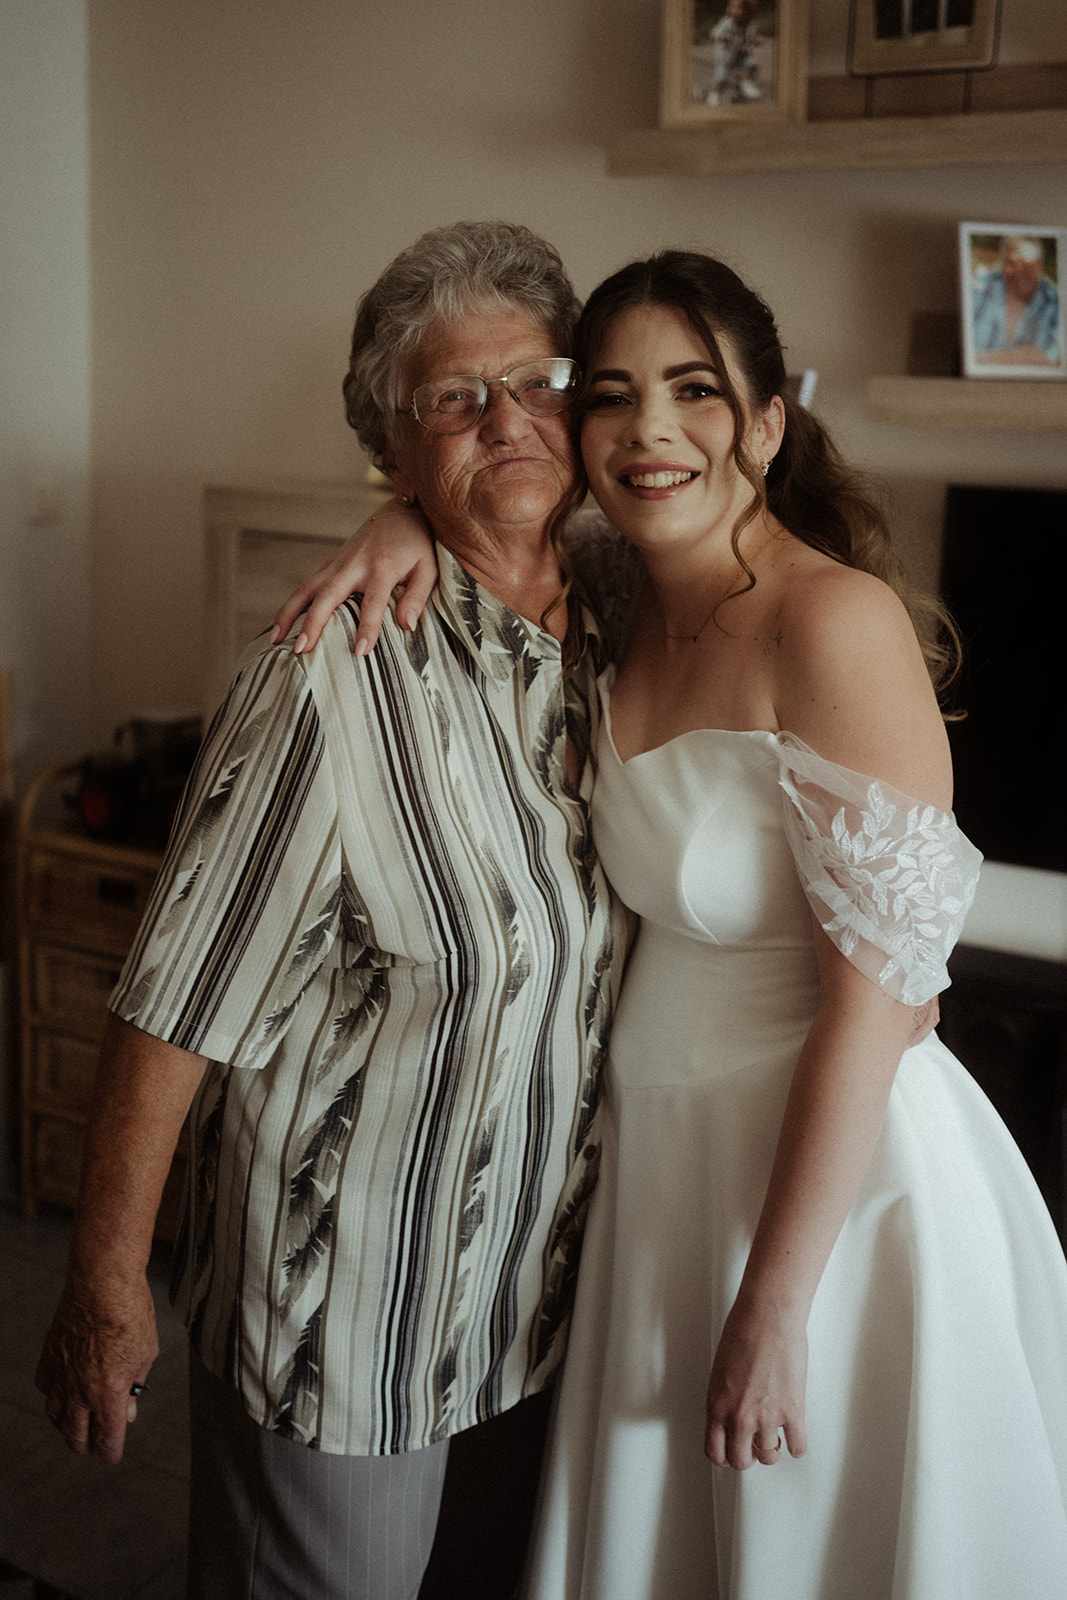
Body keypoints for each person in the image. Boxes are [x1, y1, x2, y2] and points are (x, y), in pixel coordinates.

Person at [273, 249, 1067, 1598]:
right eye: (611, 394)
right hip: (656, 1168)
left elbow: (875, 998)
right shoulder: (619, 594)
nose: (649, 429)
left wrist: (775, 1299)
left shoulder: (832, 621)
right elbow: (482, 519)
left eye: (694, 390)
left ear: (764, 422)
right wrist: (400, 517)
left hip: (818, 1189)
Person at [34, 220, 630, 1600]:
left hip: (529, 1302)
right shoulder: (326, 677)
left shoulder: (618, 632)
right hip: (345, 1323)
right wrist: (105, 1280)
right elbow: (176, 1001)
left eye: (536, 380)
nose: (506, 420)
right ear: (394, 450)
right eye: (452, 398)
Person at [971, 233, 1062, 367]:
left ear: (1039, 266)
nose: (1016, 272)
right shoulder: (979, 288)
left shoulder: (1055, 301)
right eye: (1011, 263)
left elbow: (1051, 358)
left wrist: (980, 358)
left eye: (1024, 266)